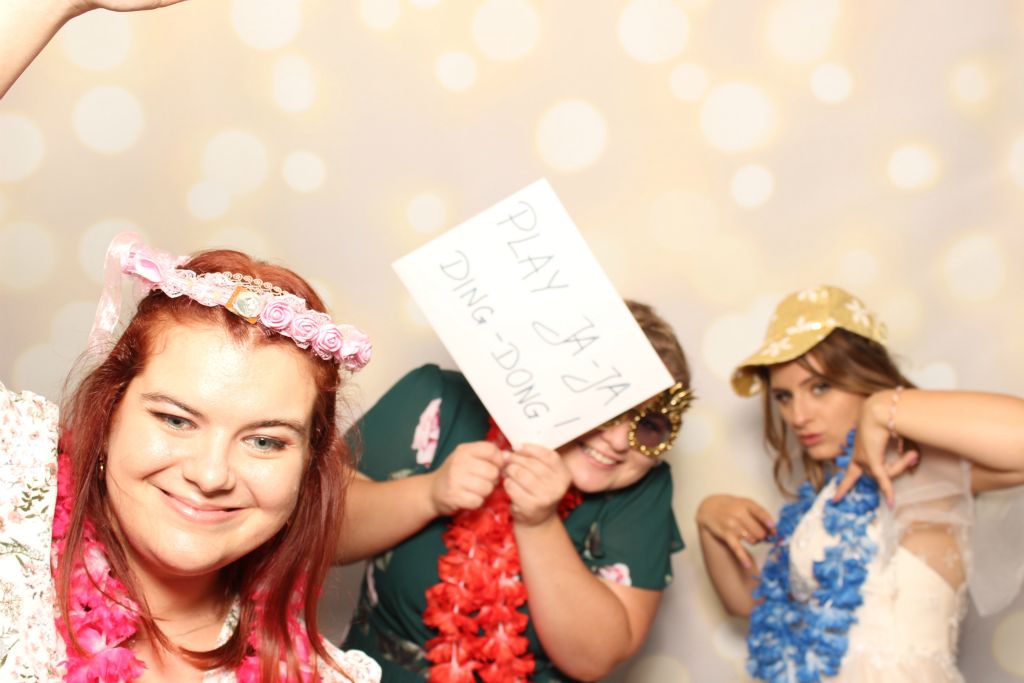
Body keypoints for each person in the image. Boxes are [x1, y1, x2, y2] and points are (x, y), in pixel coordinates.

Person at [1, 234, 381, 682]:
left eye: (264, 442)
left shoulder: (330, 677)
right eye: (176, 420)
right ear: (108, 415)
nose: (210, 474)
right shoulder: (15, 466)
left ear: (306, 467)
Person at [334, 301, 691, 682]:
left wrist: (539, 524)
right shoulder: (440, 401)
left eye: (648, 425)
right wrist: (429, 494)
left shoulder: (643, 488)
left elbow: (593, 660)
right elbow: (325, 539)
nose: (619, 442)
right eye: (608, 408)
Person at [696, 284, 1024, 683]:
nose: (798, 416)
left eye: (820, 387)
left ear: (863, 375)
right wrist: (708, 521)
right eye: (783, 396)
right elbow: (755, 607)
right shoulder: (825, 500)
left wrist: (884, 406)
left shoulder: (917, 464)